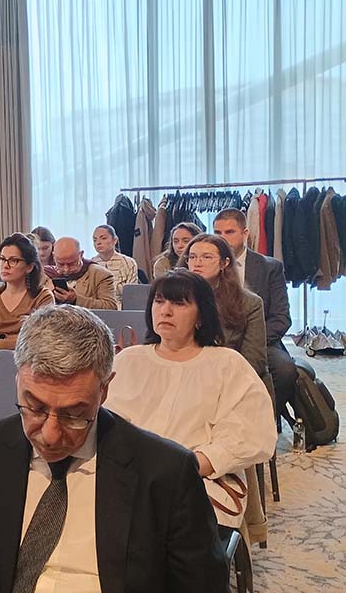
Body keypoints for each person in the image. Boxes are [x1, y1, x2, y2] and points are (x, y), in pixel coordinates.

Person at [0, 304, 229, 592]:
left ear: (104, 390)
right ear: (17, 380)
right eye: (35, 407)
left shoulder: (165, 472)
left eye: (73, 414)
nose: (50, 436)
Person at [105, 270, 277, 530]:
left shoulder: (227, 364)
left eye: (179, 303)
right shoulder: (127, 361)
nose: (165, 311)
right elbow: (106, 425)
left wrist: (184, 467)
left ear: (201, 316)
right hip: (128, 477)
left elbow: (248, 434)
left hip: (199, 480)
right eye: (159, 301)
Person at [214, 208, 297, 422]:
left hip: (262, 339)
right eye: (217, 233)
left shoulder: (269, 267)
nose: (222, 238)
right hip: (218, 339)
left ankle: (265, 419)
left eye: (229, 232)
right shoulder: (207, 265)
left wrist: (252, 339)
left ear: (245, 233)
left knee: (285, 371)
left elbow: (281, 318)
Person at [180, 234, 269, 386]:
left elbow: (254, 361)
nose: (197, 263)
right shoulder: (173, 299)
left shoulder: (250, 303)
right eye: (192, 257)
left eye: (207, 257)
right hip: (184, 377)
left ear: (224, 263)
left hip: (233, 381)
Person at [0, 233, 53, 359]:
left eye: (13, 260)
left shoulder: (43, 297)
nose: (5, 265)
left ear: (29, 267)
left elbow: (39, 343)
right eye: (2, 259)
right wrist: (19, 341)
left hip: (30, 366)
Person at [45, 237, 117, 310]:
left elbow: (111, 307)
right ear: (54, 256)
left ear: (81, 255)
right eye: (60, 264)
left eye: (71, 264)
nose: (66, 269)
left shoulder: (99, 275)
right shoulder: (47, 274)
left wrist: (76, 299)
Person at [91, 224, 139, 306]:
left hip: (122, 308)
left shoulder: (128, 262)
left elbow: (132, 294)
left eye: (103, 238)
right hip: (97, 307)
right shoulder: (91, 264)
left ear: (115, 240)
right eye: (95, 240)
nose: (98, 243)